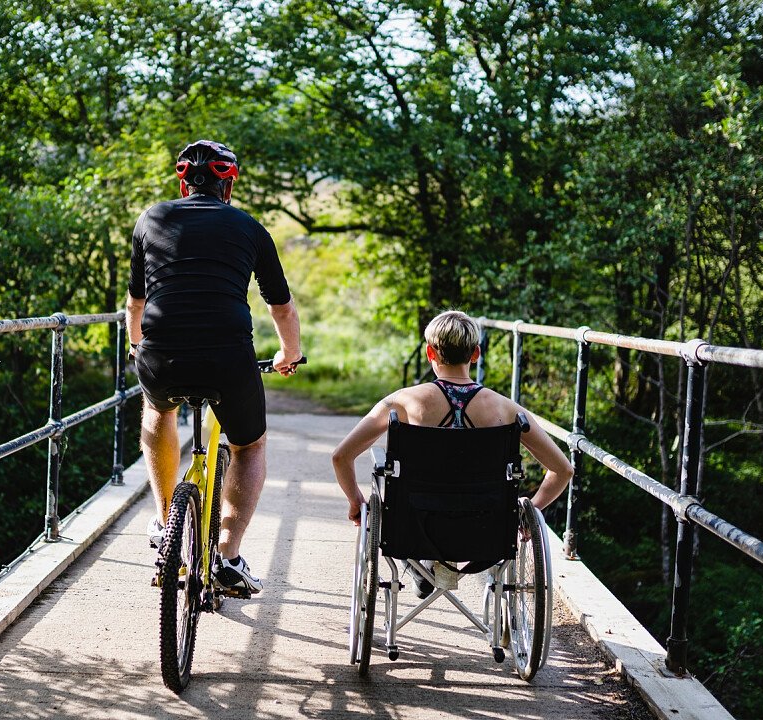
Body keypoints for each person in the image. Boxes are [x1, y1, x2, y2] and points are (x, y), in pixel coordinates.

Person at [126, 139, 302, 597]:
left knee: (158, 410)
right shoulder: (249, 228)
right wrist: (289, 354)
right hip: (228, 355)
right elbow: (281, 308)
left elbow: (135, 304)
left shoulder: (151, 219)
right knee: (250, 445)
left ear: (183, 183)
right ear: (229, 186)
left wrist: (137, 348)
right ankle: (227, 554)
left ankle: (165, 522)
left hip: (162, 352)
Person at [330, 310, 572, 596]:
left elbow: (341, 456)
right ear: (476, 354)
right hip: (486, 531)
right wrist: (530, 513)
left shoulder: (402, 402)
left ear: (430, 352)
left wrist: (356, 501)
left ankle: (424, 566)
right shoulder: (507, 409)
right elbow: (563, 470)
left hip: (414, 528)